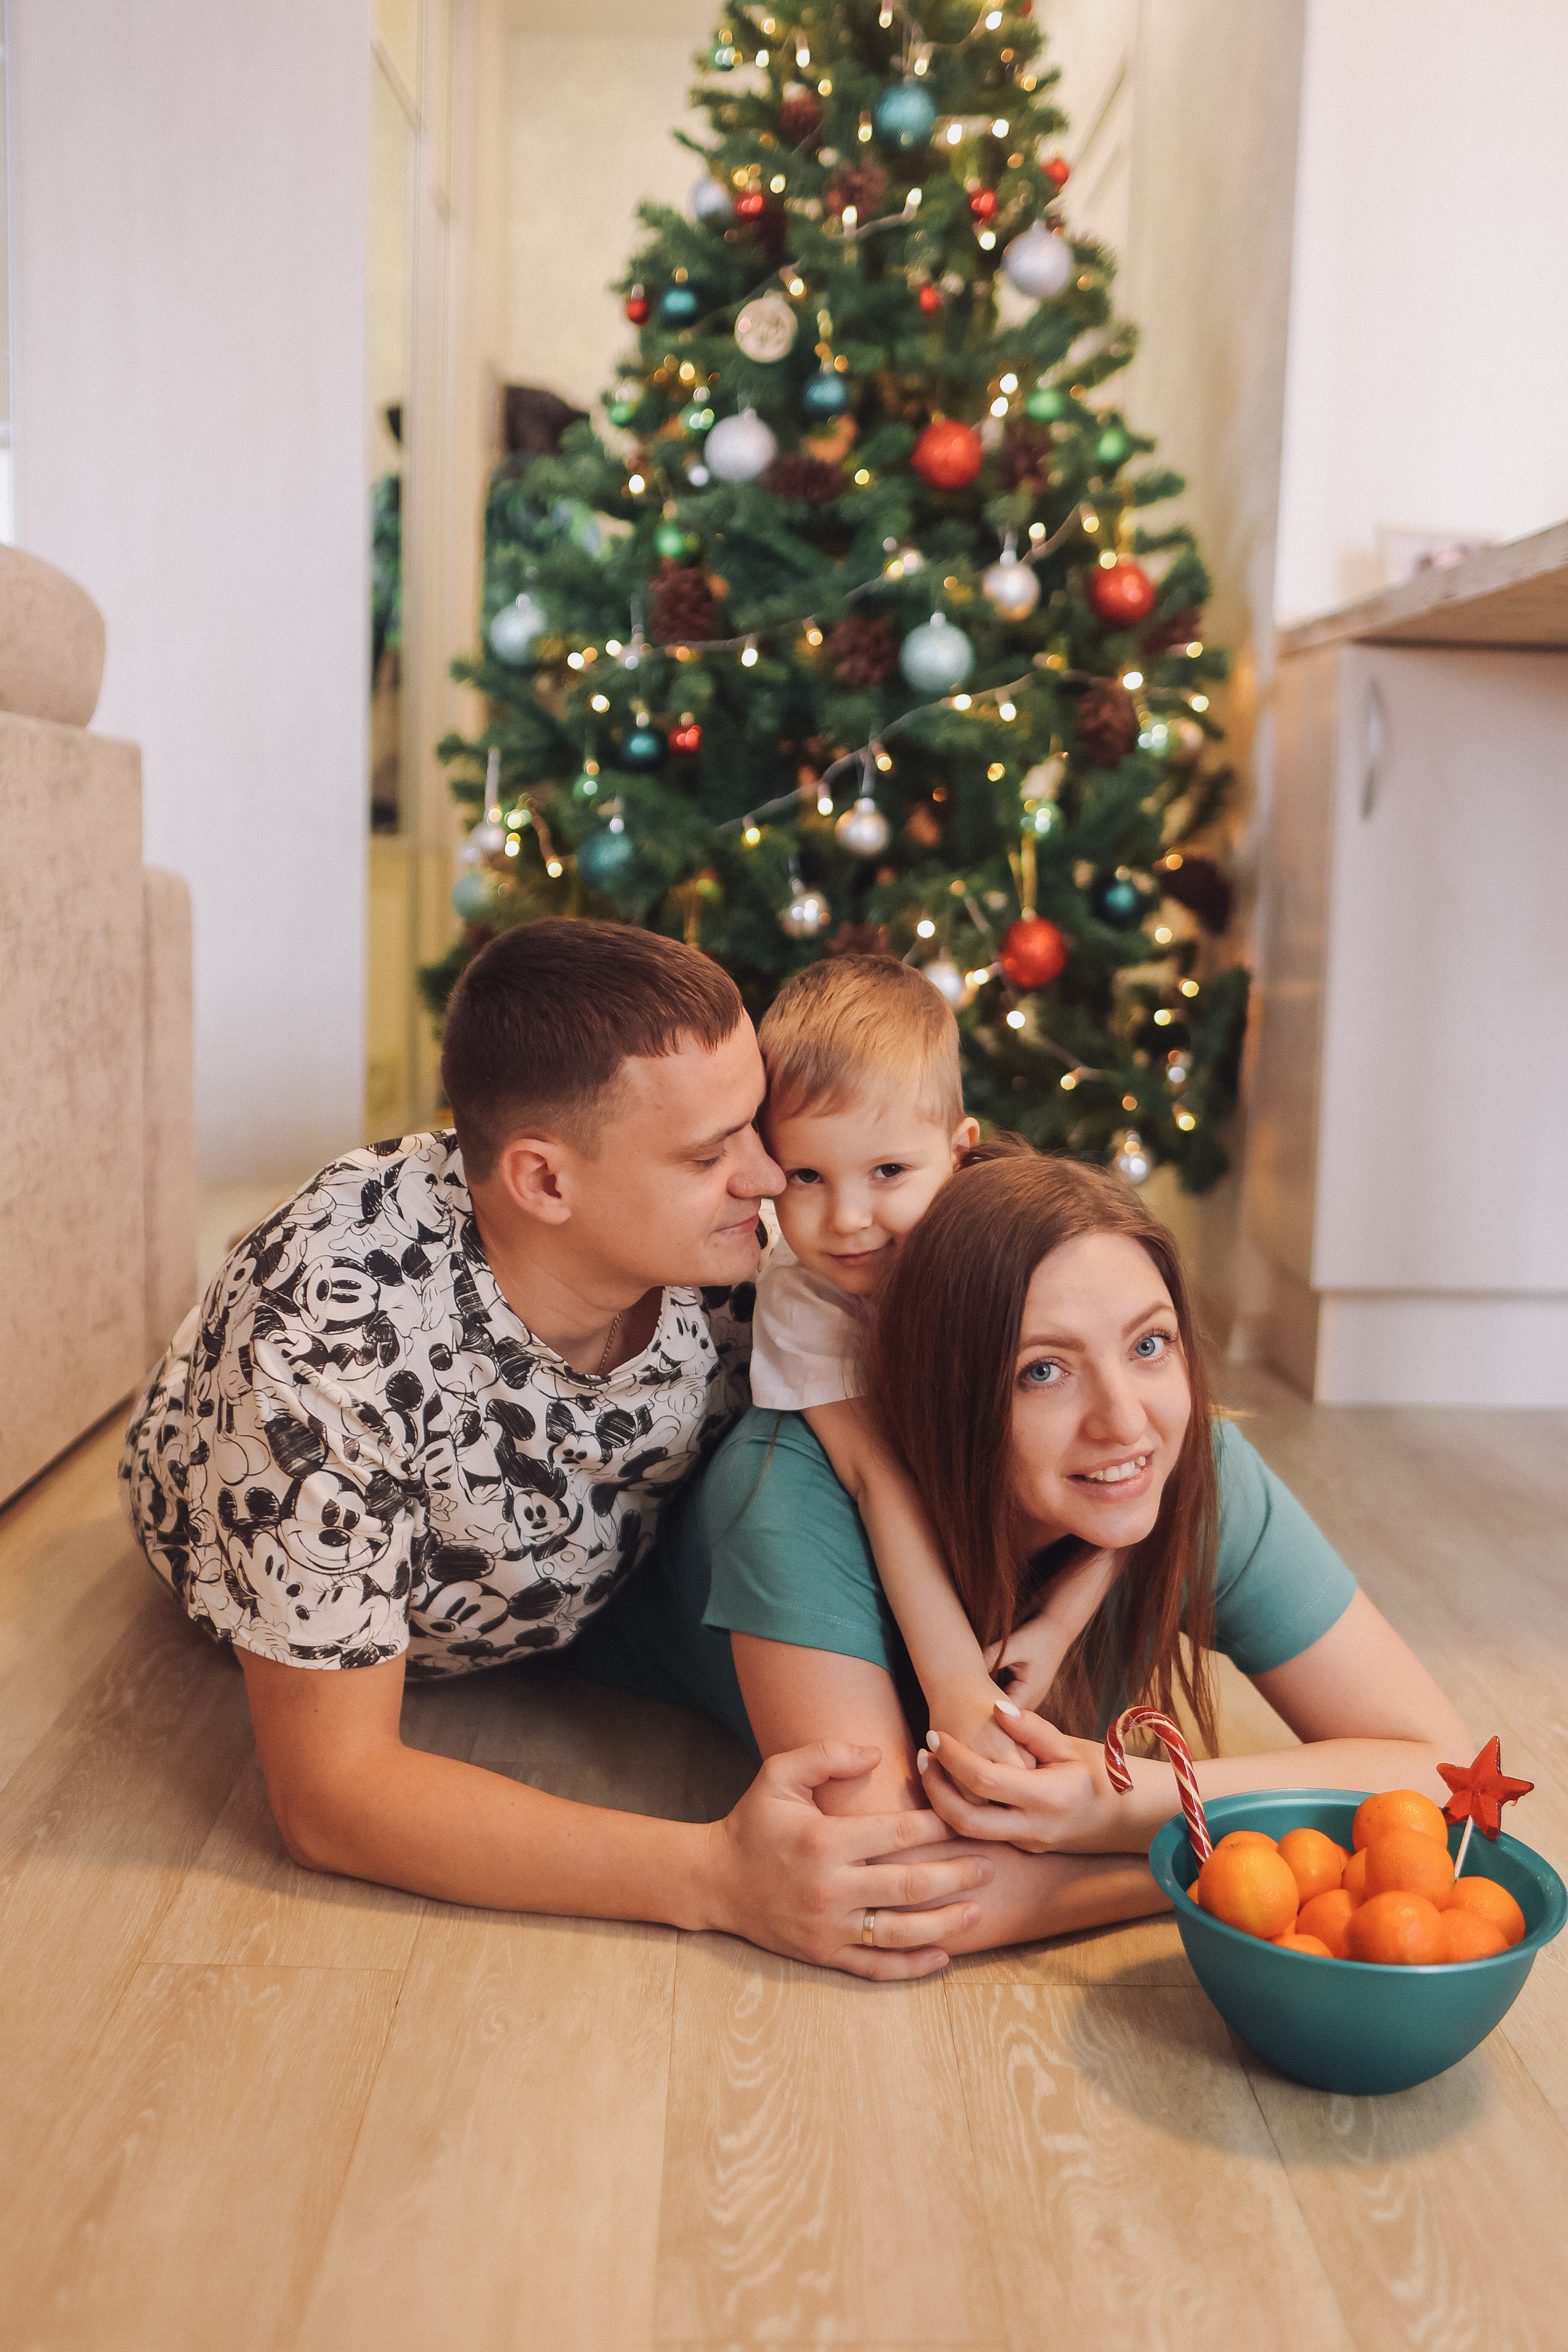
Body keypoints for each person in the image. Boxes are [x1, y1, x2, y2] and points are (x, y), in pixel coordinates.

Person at [119, 920, 992, 1980]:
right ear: (543, 1183)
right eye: (711, 1155)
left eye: (752, 1129)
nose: (772, 1178)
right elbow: (331, 1798)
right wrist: (716, 1877)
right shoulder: (325, 1345)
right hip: (336, 1571)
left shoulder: (741, 1252)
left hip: (606, 1576)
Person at [671, 1139, 1471, 1958]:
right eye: (1044, 1371)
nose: (1126, 1421)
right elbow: (898, 1883)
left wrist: (1132, 1805)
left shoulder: (1193, 1463)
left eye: (1149, 1345)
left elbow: (1445, 1770)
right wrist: (1242, 1864)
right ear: (948, 1395)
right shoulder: (787, 1495)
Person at [749, 956, 1120, 1768]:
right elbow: (876, 1478)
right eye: (806, 1176)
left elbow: (1143, 1456)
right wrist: (956, 1683)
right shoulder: (802, 1297)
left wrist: (1058, 1622)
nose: (849, 1219)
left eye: (888, 1172)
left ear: (958, 1153)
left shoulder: (1021, 1254)